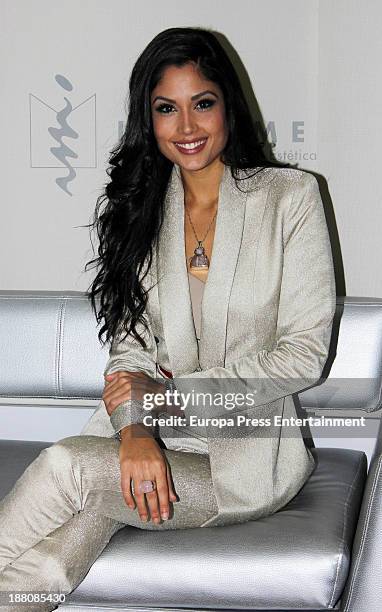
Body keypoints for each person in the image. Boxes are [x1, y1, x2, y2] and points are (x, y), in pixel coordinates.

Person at [0, 26, 336, 611]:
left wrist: (170, 401)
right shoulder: (142, 210)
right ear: (147, 118)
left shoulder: (291, 197)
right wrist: (135, 430)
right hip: (148, 439)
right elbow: (129, 353)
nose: (186, 128)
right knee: (52, 560)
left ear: (228, 105)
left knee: (65, 470)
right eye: (166, 109)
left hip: (245, 459)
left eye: (202, 103)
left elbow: (303, 354)